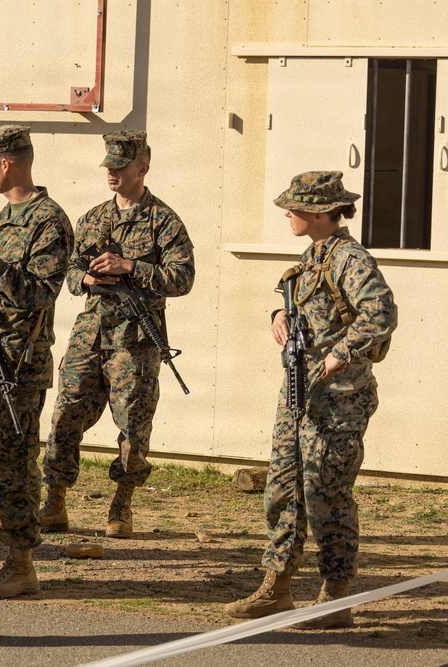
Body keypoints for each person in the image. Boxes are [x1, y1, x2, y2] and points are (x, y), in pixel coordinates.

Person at [225, 171, 396, 629]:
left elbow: (380, 312)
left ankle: (334, 599)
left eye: (295, 207)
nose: (287, 214)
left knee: (326, 494)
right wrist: (279, 314)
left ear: (320, 213)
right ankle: (277, 588)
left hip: (338, 400)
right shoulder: (314, 255)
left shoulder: (350, 259)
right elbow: (308, 309)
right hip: (298, 392)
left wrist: (342, 352)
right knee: (282, 489)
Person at [40, 129, 195, 537]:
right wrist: (86, 279)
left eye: (121, 166)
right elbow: (70, 270)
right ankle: (54, 499)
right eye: (108, 165)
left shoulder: (164, 222)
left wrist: (131, 268)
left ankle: (122, 502)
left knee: (133, 424)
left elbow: (183, 278)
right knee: (65, 415)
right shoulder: (92, 218)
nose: (112, 172)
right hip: (89, 335)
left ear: (142, 168)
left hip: (135, 340)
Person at [0, 125, 73, 599]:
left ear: (6, 163)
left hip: (16, 367)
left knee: (11, 466)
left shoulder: (48, 221)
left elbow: (41, 293)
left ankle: (21, 564)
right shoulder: (7, 217)